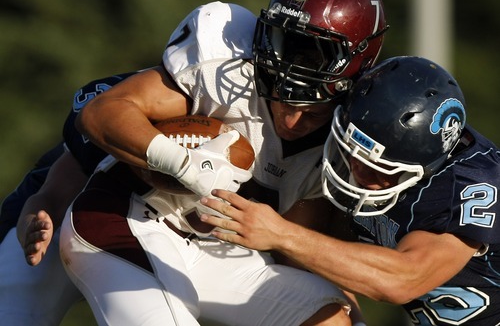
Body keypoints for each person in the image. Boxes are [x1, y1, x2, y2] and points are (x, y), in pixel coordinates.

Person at [60, 0, 388, 325]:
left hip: (217, 253)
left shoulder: (342, 139)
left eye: (311, 112)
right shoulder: (226, 68)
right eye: (282, 98)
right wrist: (181, 164)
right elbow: (102, 113)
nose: (290, 121)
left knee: (329, 316)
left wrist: (350, 305)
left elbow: (294, 247)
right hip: (131, 218)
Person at [200, 56, 500, 325]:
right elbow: (314, 250)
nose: (359, 171)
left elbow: (403, 279)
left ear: (425, 165)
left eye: (382, 168)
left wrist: (281, 234)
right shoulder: (347, 151)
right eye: (353, 153)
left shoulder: (471, 184)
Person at [0, 72, 136, 325]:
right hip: (60, 221)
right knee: (18, 314)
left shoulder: (225, 114)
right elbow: (51, 197)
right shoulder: (122, 104)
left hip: (147, 228)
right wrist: (32, 230)